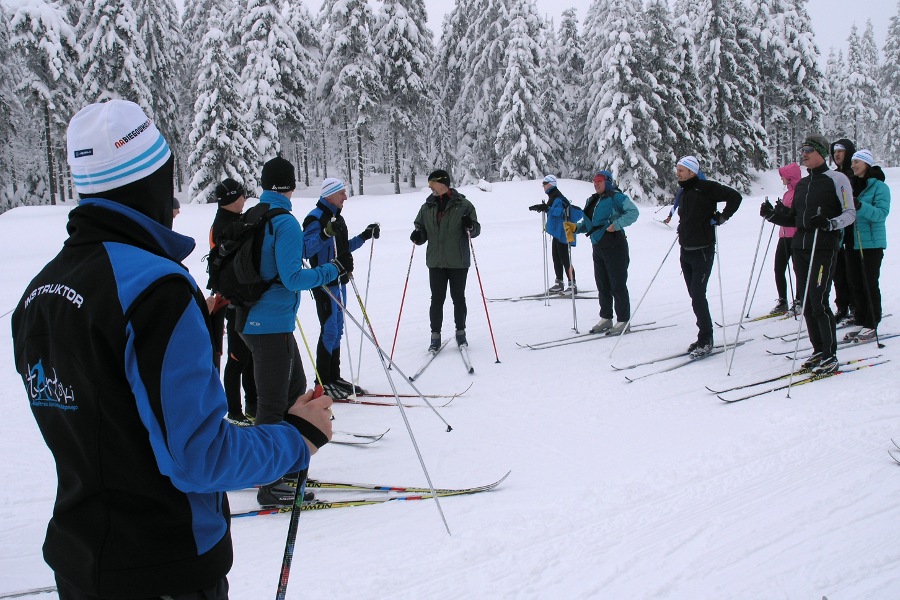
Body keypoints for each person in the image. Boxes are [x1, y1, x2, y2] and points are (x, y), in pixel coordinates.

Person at [11, 99, 334, 600]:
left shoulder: (41, 290)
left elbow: (103, 420)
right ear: (153, 181)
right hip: (166, 566)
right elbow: (199, 458)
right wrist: (297, 437)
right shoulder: (156, 289)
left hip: (82, 561)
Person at [236, 155, 351, 506]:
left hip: (253, 320)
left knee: (291, 393)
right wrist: (331, 271)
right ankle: (271, 484)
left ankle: (284, 468)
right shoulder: (283, 221)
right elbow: (293, 278)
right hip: (270, 324)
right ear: (291, 185)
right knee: (275, 404)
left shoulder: (254, 214)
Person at [761, 134, 856, 374]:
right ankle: (818, 351)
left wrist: (829, 223)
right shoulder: (802, 184)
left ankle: (830, 355)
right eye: (802, 150)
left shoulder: (837, 179)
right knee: (806, 302)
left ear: (820, 153)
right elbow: (794, 218)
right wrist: (772, 215)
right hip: (800, 246)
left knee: (818, 300)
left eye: (808, 150)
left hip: (823, 247)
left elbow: (850, 213)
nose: (803, 154)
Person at [302, 177, 380, 399]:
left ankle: (333, 377)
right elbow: (306, 251)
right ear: (330, 194)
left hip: (340, 281)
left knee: (337, 329)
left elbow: (342, 249)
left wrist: (365, 236)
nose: (345, 197)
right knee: (329, 330)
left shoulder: (337, 217)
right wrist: (325, 234)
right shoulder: (315, 218)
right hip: (324, 283)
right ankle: (322, 383)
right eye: (341, 193)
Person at [671, 155, 742, 358]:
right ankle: (703, 335)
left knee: (698, 295)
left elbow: (735, 197)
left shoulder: (706, 188)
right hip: (686, 251)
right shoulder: (684, 192)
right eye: (678, 170)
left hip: (703, 250)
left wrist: (721, 217)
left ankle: (706, 339)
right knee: (695, 296)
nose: (678, 173)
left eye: (682, 170)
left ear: (692, 171)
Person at [410, 169, 481, 351]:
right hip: (436, 262)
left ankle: (461, 334)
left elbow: (476, 230)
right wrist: (418, 235)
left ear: (442, 183)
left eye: (432, 184)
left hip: (458, 261)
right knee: (437, 300)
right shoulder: (427, 207)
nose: (430, 188)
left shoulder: (464, 205)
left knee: (458, 298)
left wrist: (470, 226)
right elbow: (422, 230)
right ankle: (435, 337)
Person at [207, 178, 257, 425]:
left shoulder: (234, 221)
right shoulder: (223, 226)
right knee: (237, 358)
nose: (244, 199)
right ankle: (235, 412)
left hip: (240, 299)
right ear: (230, 199)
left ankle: (251, 407)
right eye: (241, 196)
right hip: (233, 300)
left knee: (247, 355)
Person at [575, 170, 639, 335]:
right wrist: (575, 228)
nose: (596, 183)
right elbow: (590, 224)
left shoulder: (616, 197)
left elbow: (633, 212)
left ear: (608, 182)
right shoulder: (593, 200)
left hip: (615, 246)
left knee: (617, 284)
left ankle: (623, 320)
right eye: (594, 181)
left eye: (600, 181)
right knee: (602, 285)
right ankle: (606, 318)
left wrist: (616, 225)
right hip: (598, 247)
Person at [843, 149, 890, 342]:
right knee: (855, 284)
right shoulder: (851, 184)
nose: (853, 165)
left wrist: (861, 206)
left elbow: (881, 214)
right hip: (852, 241)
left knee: (869, 283)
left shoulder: (879, 187)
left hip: (871, 243)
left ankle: (872, 322)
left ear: (867, 164)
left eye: (857, 162)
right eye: (852, 162)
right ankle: (861, 320)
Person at [829, 138, 860, 325]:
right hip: (836, 228)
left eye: (841, 151)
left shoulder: (854, 173)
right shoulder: (832, 175)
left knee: (852, 271)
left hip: (852, 229)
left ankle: (856, 307)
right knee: (837, 271)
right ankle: (842, 306)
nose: (837, 154)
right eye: (835, 151)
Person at [529, 174, 577, 293]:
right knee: (556, 257)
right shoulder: (553, 196)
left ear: (551, 184)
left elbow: (559, 212)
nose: (543, 187)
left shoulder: (558, 197)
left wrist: (546, 208)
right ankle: (559, 282)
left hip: (563, 232)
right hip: (557, 232)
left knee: (565, 258)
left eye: (545, 184)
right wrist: (544, 207)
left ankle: (572, 284)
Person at [767, 163, 801, 315]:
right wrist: (775, 210)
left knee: (798, 269)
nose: (781, 178)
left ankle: (799, 300)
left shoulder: (799, 192)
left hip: (796, 235)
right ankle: (783, 301)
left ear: (790, 177)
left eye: (783, 175)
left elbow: (794, 215)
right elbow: (784, 214)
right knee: (778, 267)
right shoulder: (788, 193)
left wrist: (782, 211)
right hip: (784, 235)